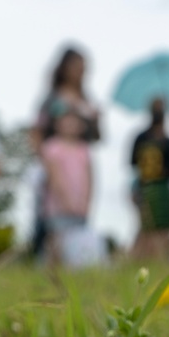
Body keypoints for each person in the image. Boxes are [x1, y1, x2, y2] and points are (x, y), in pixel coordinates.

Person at [31, 47, 101, 258]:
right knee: (52, 223)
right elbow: (36, 133)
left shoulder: (87, 98)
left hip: (80, 165)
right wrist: (48, 164)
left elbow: (96, 136)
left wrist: (96, 119)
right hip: (55, 165)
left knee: (78, 221)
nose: (80, 71)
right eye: (77, 66)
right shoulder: (51, 99)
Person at [41, 110, 100, 267]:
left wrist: (86, 202)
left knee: (76, 243)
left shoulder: (84, 150)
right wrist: (66, 201)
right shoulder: (52, 147)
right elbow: (55, 177)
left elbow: (90, 178)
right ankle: (52, 274)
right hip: (57, 206)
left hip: (80, 206)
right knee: (57, 241)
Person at [130, 98, 169, 260]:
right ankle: (138, 260)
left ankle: (161, 259)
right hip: (145, 186)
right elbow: (133, 164)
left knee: (165, 227)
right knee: (147, 227)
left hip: (162, 186)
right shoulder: (142, 138)